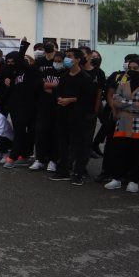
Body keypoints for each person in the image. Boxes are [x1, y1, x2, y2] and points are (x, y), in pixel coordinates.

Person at [105, 58, 139, 194]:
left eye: (135, 68)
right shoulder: (124, 83)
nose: (132, 71)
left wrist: (125, 103)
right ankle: (116, 179)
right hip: (123, 124)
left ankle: (134, 181)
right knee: (119, 152)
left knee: (138, 154)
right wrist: (132, 104)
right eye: (130, 68)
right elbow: (116, 100)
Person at [49, 48, 97, 184]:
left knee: (79, 145)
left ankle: (78, 173)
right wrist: (59, 99)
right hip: (64, 115)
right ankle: (63, 170)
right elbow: (58, 92)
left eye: (69, 56)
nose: (66, 59)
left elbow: (88, 98)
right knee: (63, 144)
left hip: (79, 116)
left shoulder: (85, 78)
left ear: (77, 59)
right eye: (66, 56)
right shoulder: (64, 76)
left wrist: (71, 99)